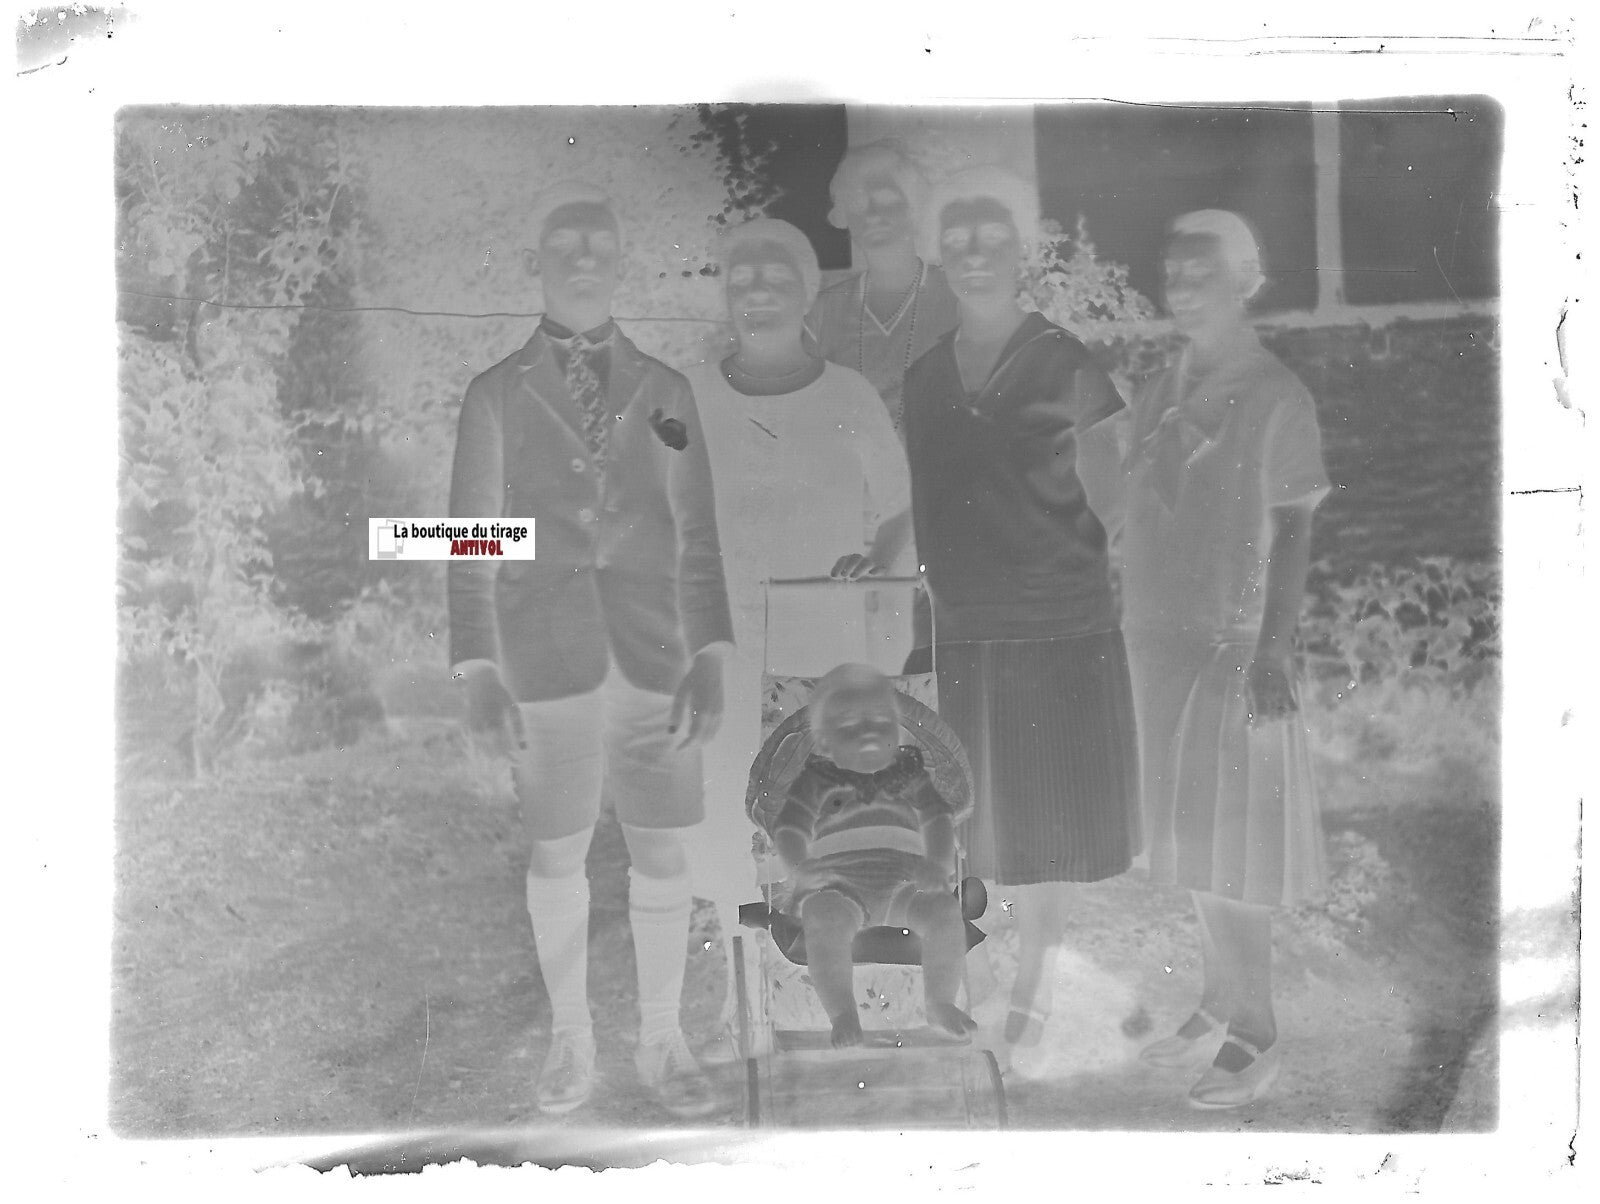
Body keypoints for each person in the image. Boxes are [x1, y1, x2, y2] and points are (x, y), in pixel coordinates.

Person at [447, 181, 732, 1118]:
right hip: (544, 663)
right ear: (536, 263)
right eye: (563, 245)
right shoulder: (496, 393)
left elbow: (697, 532)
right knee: (557, 852)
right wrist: (481, 670)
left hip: (655, 659)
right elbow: (471, 539)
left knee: (661, 851)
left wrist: (710, 655)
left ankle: (662, 1038)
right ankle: (571, 1040)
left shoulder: (667, 390)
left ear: (619, 264)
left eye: (598, 246)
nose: (581, 260)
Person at [900, 166, 1142, 1055]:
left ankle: (1036, 989)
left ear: (1020, 252)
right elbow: (929, 494)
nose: (974, 254)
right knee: (981, 820)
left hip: (1056, 625)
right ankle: (990, 978)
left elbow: (1114, 496)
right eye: (957, 239)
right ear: (937, 253)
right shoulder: (923, 377)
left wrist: (1053, 563)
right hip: (963, 627)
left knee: (1048, 819)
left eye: (991, 238)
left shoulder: (1064, 360)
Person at [682, 217, 915, 1046]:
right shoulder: (689, 395)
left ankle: (829, 991)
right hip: (725, 644)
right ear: (725, 292)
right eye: (742, 276)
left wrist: (877, 563)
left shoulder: (847, 395)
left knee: (818, 820)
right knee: (726, 822)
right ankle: (740, 992)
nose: (759, 290)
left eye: (777, 275)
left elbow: (900, 507)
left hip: (822, 652)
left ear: (808, 291)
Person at [1118, 210, 1330, 1108]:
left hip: (1232, 646)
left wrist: (1272, 648)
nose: (1182, 285)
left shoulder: (1277, 395)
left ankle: (1257, 1030)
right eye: (1172, 270)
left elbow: (1294, 529)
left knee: (1235, 852)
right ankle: (1216, 1000)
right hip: (1158, 643)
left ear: (1246, 280)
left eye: (1201, 270)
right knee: (1188, 840)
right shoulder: (1158, 387)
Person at [772, 664, 977, 1047]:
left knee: (945, 912)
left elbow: (937, 818)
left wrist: (937, 864)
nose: (868, 730)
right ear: (825, 742)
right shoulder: (816, 780)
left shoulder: (909, 773)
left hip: (905, 885)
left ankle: (940, 1002)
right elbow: (789, 828)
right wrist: (800, 866)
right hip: (840, 886)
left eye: (881, 720)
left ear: (897, 732)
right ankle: (842, 1012)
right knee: (823, 920)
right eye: (850, 723)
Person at [806, 140, 961, 436]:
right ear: (845, 216)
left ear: (914, 207)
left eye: (887, 199)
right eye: (857, 202)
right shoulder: (823, 311)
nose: (872, 213)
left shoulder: (956, 297)